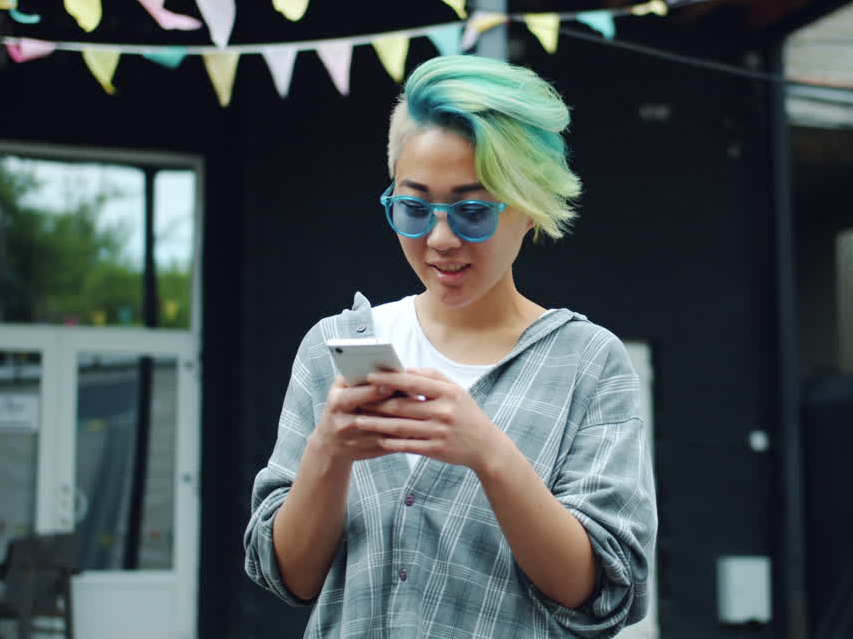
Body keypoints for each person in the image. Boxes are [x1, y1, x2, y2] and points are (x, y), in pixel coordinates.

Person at [244, 55, 657, 638]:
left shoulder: (588, 363)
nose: (440, 239)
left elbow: (598, 594)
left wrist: (489, 453)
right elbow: (290, 577)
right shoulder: (335, 348)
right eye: (414, 208)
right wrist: (327, 454)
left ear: (531, 205)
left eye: (472, 211)